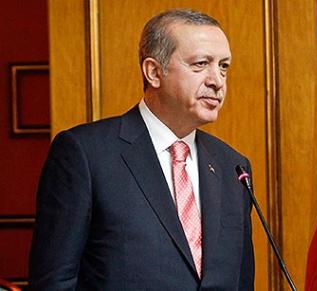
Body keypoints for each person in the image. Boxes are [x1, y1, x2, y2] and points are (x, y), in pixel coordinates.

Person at [29, 9, 254, 290]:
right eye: (200, 64)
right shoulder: (85, 155)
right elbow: (54, 282)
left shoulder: (233, 166)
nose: (217, 81)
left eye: (223, 66)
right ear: (153, 72)